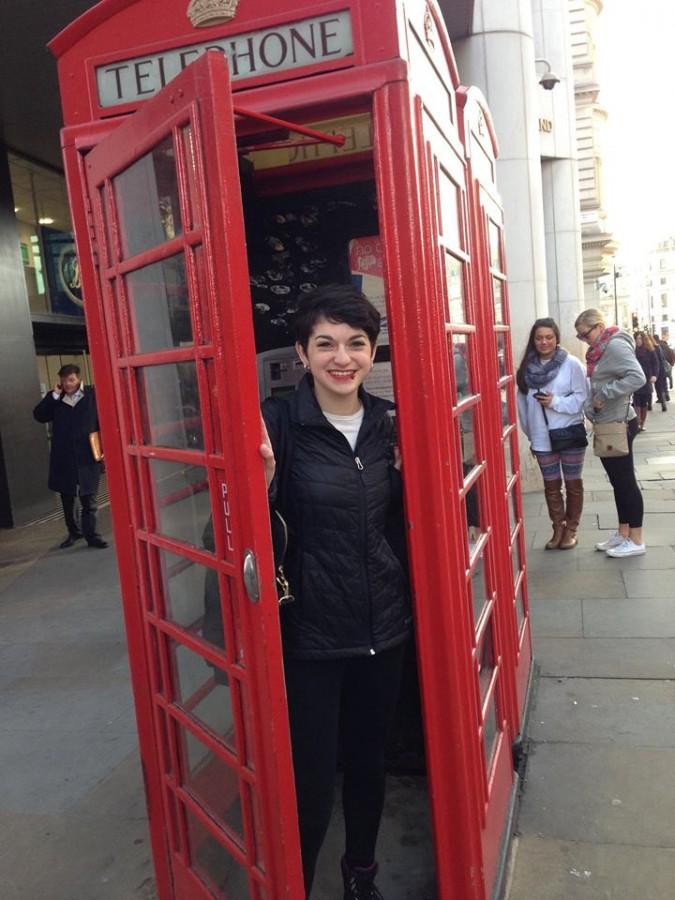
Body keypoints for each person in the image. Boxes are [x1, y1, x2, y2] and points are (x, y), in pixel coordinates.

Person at [259, 285, 410, 900]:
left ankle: (361, 873)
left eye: (356, 344)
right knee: (312, 780)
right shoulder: (277, 424)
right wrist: (261, 483)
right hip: (310, 632)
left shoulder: (389, 423)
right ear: (302, 352)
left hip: (385, 625)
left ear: (372, 353)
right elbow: (232, 535)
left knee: (370, 765)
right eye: (325, 344)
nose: (342, 357)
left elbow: (435, 514)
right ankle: (294, 884)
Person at [575, 309, 646, 558]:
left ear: (599, 326)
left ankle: (636, 539)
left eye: (586, 334)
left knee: (625, 481)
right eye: (580, 336)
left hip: (619, 423)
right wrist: (591, 404)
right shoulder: (600, 350)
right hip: (608, 423)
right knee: (618, 483)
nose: (584, 340)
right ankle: (623, 533)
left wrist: (605, 394)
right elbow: (597, 384)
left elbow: (638, 377)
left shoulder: (614, 346)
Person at [516, 318, 588, 550]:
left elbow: (581, 399)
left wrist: (555, 402)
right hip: (541, 436)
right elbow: (522, 406)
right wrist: (531, 434)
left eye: (549, 337)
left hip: (569, 433)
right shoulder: (526, 368)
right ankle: (557, 527)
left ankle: (571, 529)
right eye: (539, 338)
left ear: (557, 339)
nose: (544, 342)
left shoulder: (572, 364)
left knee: (572, 483)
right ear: (533, 340)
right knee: (551, 486)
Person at [33, 364, 108, 549]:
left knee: (89, 499)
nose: (67, 384)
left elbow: (103, 422)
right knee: (67, 499)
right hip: (64, 457)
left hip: (87, 455)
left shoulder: (92, 395)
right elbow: (39, 415)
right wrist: (54, 396)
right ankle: (74, 533)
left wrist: (104, 451)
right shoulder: (56, 399)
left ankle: (92, 536)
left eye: (71, 380)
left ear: (79, 378)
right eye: (64, 380)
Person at [632, 331, 659, 431]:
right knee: (636, 401)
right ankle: (637, 423)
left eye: (639, 338)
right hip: (635, 379)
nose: (638, 340)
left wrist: (654, 375)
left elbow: (656, 364)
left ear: (643, 339)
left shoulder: (650, 350)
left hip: (646, 379)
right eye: (636, 338)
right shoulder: (632, 350)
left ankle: (642, 424)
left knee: (644, 403)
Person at [652, 336, 669, 412]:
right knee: (662, 385)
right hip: (662, 369)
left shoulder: (652, 348)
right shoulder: (658, 347)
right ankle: (664, 401)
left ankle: (662, 400)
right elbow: (662, 358)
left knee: (658, 387)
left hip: (656, 370)